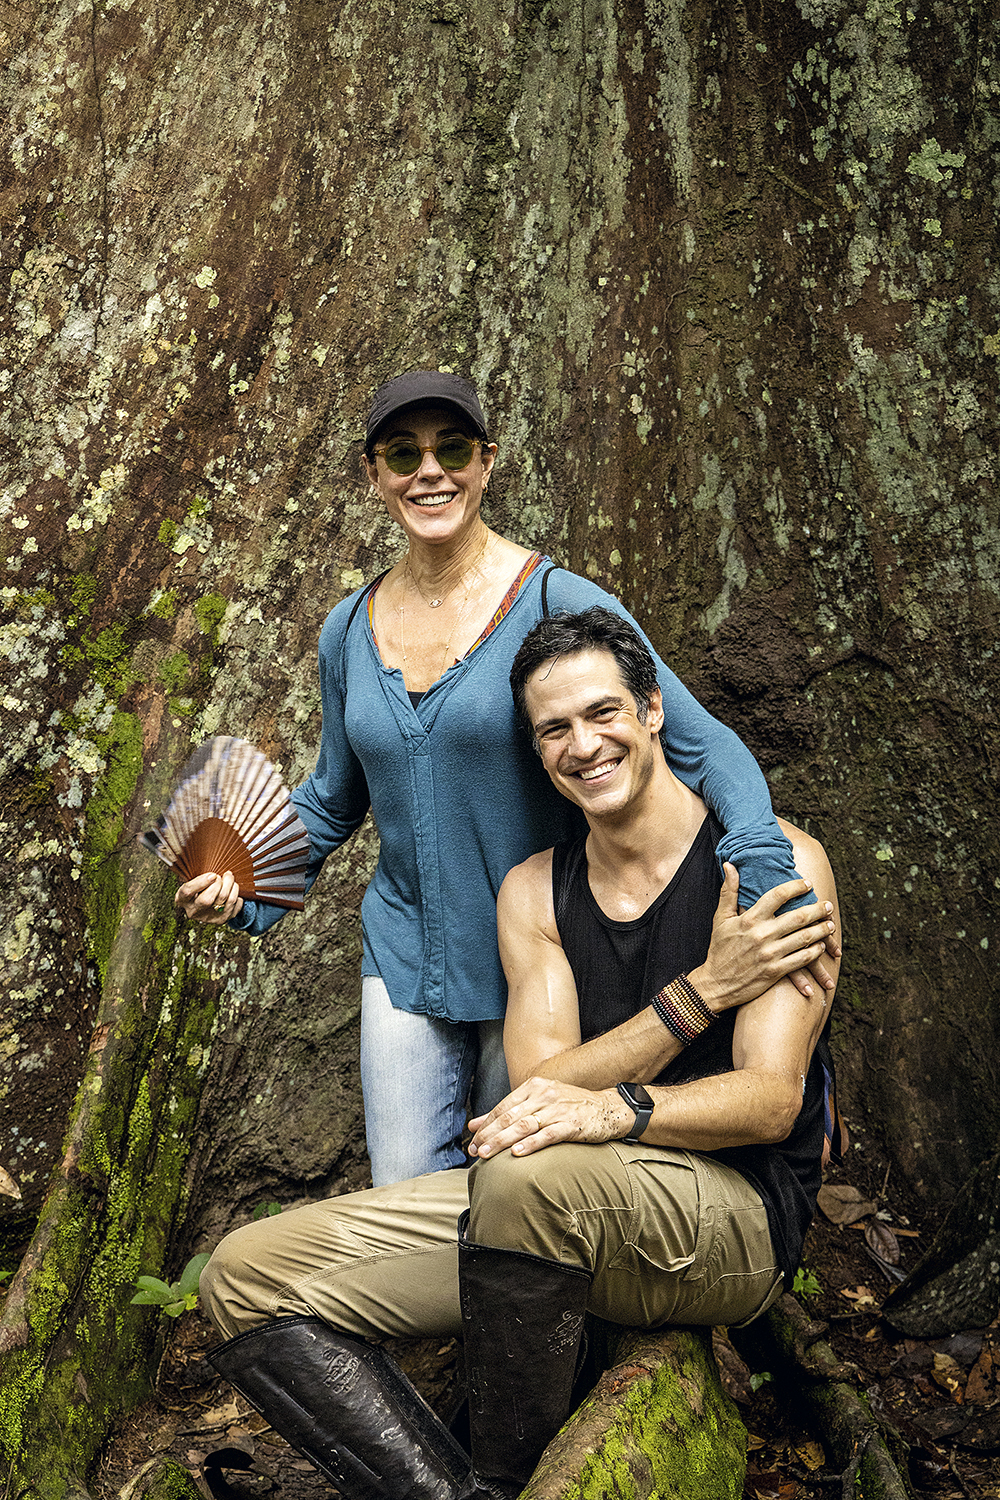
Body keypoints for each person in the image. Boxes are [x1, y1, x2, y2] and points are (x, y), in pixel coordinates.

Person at [198, 606, 841, 1500]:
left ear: (655, 711)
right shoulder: (535, 890)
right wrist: (703, 993)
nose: (585, 744)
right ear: (536, 751)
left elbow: (768, 1101)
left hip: (733, 1218)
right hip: (547, 1204)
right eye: (555, 729)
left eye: (604, 713)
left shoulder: (772, 870)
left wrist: (615, 1107)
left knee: (522, 1177)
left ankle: (508, 1479)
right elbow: (539, 1088)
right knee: (245, 1275)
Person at [177, 369, 834, 1187]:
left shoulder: (558, 600)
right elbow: (332, 798)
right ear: (372, 474)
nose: (430, 470)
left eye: (452, 448)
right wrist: (246, 882)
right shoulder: (346, 629)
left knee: (512, 1187)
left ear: (487, 462)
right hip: (406, 955)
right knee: (406, 1193)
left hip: (537, 955)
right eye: (402, 453)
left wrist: (762, 851)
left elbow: (702, 744)